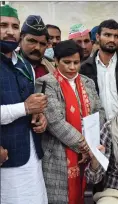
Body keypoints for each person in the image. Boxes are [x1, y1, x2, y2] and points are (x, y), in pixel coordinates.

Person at [35, 40, 106, 204]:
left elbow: (99, 112)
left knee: (86, 194)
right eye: (66, 62)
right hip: (58, 153)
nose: (72, 67)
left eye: (76, 62)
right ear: (56, 61)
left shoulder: (88, 82)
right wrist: (84, 145)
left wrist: (91, 142)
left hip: (89, 151)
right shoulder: (46, 83)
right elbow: (55, 122)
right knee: (60, 197)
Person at [0, 5, 48, 204]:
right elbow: (25, 106)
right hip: (6, 156)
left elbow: (30, 105)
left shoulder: (24, 64)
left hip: (32, 154)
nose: (10, 31)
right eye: (3, 25)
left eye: (14, 26)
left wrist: (39, 117)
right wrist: (26, 108)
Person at [80, 19, 118, 120]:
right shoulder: (85, 67)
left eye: (116, 36)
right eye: (107, 35)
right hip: (98, 125)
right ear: (98, 37)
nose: (112, 39)